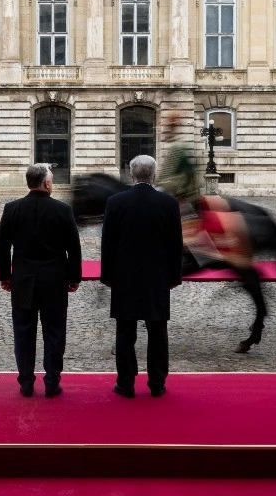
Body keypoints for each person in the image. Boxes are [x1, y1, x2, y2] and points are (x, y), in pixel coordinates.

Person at [0, 163, 82, 398]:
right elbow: (74, 248)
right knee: (55, 333)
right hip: (55, 282)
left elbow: (2, 246)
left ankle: (25, 382)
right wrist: (74, 277)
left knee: (23, 333)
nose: (52, 184)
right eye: (51, 180)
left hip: (23, 282)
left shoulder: (12, 209)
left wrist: (5, 275)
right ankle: (52, 381)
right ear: (46, 183)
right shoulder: (62, 210)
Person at [100, 155, 183, 398]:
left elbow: (108, 244)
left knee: (125, 332)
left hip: (124, 277)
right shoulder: (168, 203)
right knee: (158, 331)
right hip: (157, 277)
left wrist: (107, 275)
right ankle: (157, 383)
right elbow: (175, 244)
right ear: (153, 175)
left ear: (131, 174)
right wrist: (174, 276)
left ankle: (126, 383)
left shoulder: (115, 202)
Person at [159, 114, 200, 206]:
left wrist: (160, 185)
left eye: (166, 130)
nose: (163, 133)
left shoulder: (177, 147)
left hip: (180, 198)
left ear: (172, 129)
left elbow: (183, 178)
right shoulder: (177, 146)